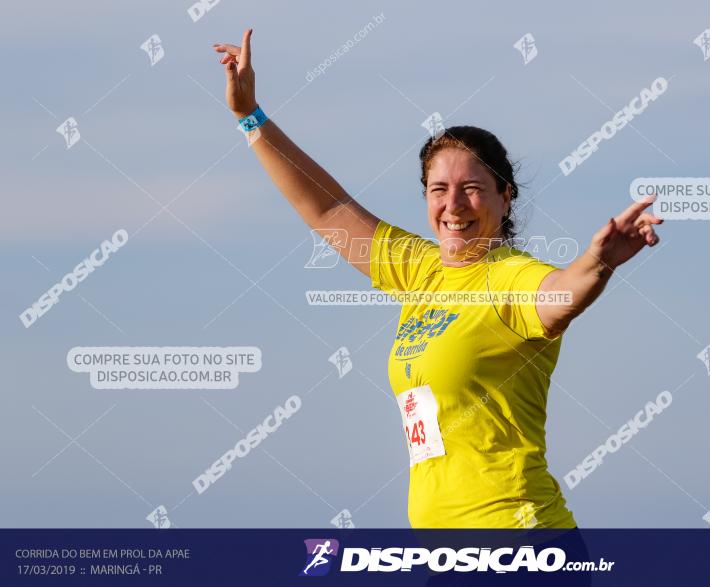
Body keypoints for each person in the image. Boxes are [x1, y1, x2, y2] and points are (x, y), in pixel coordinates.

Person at [213, 29, 662, 528]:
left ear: (505, 197)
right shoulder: (420, 270)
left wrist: (598, 263)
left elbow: (559, 296)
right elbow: (327, 209)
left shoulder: (509, 277)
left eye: (471, 189)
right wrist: (249, 115)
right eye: (438, 189)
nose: (453, 205)